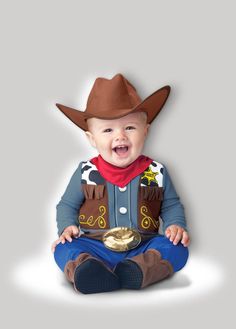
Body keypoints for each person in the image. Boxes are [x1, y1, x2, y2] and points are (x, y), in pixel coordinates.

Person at [51, 73, 190, 294]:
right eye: (108, 130)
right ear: (91, 139)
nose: (120, 136)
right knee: (63, 248)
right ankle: (86, 268)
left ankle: (137, 270)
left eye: (130, 128)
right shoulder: (86, 171)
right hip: (95, 245)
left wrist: (176, 225)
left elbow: (171, 204)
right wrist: (67, 226)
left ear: (146, 131)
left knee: (177, 248)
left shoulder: (156, 171)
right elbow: (66, 205)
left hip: (144, 246)